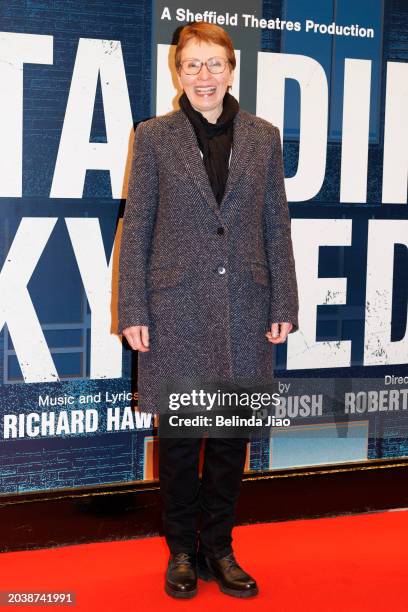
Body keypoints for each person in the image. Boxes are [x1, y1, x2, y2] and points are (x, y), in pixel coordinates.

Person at [117, 22, 299, 599]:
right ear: (178, 70)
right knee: (179, 442)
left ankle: (219, 547)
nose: (203, 75)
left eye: (214, 63)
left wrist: (284, 301)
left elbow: (276, 224)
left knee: (229, 440)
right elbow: (137, 225)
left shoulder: (264, 137)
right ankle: (180, 552)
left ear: (231, 68)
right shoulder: (153, 137)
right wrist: (133, 309)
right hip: (175, 310)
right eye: (192, 64)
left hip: (247, 305)